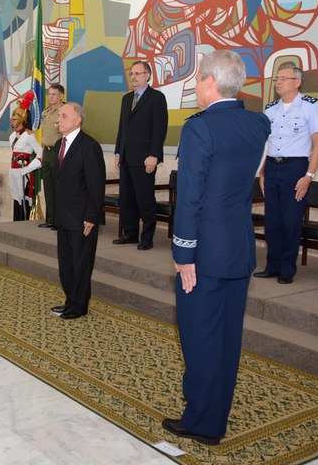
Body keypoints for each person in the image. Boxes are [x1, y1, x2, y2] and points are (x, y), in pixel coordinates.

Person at [164, 50, 270, 446]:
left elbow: (191, 196)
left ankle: (203, 423)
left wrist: (183, 253)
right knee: (227, 337)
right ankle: (214, 414)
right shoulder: (257, 123)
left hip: (204, 253)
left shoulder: (200, 128)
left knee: (199, 336)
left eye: (196, 79)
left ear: (210, 82)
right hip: (239, 248)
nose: (194, 86)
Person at [253, 61, 318, 284]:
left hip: (296, 168)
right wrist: (263, 172)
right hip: (272, 167)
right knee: (273, 220)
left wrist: (309, 176)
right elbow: (266, 143)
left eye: (284, 78)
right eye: (277, 79)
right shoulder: (270, 109)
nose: (278, 82)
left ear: (298, 82)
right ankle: (272, 265)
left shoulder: (310, 106)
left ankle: (287, 269)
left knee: (291, 221)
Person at [50, 102, 105, 320]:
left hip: (82, 218)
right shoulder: (58, 144)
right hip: (64, 216)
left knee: (80, 264)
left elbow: (96, 184)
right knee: (66, 263)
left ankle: (79, 305)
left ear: (77, 120)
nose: (59, 119)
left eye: (64, 116)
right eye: (59, 116)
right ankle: (70, 300)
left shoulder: (89, 146)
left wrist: (92, 216)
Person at [113, 61, 168, 250]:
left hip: (145, 159)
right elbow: (122, 128)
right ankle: (130, 234)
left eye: (137, 73)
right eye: (131, 74)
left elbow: (159, 129)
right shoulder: (126, 99)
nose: (133, 77)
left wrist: (154, 155)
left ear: (147, 75)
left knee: (145, 199)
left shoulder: (156, 98)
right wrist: (118, 151)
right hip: (127, 157)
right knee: (126, 198)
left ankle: (147, 238)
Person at [8, 97, 42, 221]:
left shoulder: (29, 135)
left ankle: (24, 223)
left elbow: (40, 154)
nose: (12, 121)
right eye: (11, 119)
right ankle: (16, 222)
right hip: (13, 170)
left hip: (24, 171)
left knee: (24, 199)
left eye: (14, 119)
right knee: (16, 197)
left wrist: (28, 169)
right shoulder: (12, 136)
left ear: (22, 119)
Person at [38, 83, 64, 230]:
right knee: (48, 186)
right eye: (49, 94)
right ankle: (50, 219)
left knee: (59, 187)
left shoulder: (64, 111)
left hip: (58, 151)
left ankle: (60, 220)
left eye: (54, 94)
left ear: (61, 95)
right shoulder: (45, 112)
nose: (51, 97)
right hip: (46, 152)